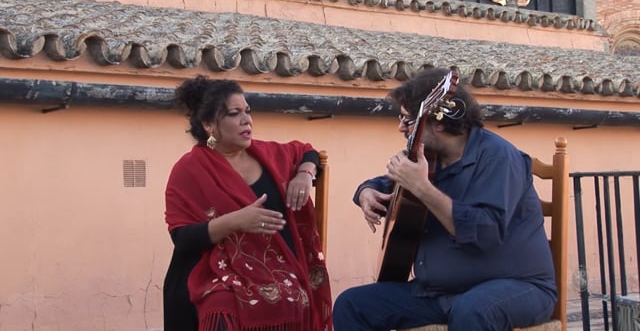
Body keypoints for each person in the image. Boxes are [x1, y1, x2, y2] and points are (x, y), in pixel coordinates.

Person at [333, 68, 557, 330]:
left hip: (518, 287)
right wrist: (366, 191)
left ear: (437, 122)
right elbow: (390, 183)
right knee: (352, 305)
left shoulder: (499, 158)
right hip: (440, 294)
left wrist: (423, 188)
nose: (401, 127)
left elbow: (485, 232)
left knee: (473, 311)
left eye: (408, 120)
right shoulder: (430, 158)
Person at [163, 75, 332, 331]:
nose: (247, 120)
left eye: (248, 111)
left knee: (292, 297)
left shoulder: (269, 154)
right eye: (234, 113)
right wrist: (236, 221)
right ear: (209, 125)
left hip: (280, 268)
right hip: (213, 269)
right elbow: (182, 238)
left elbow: (307, 151)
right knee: (223, 305)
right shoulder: (189, 169)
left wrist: (304, 173)